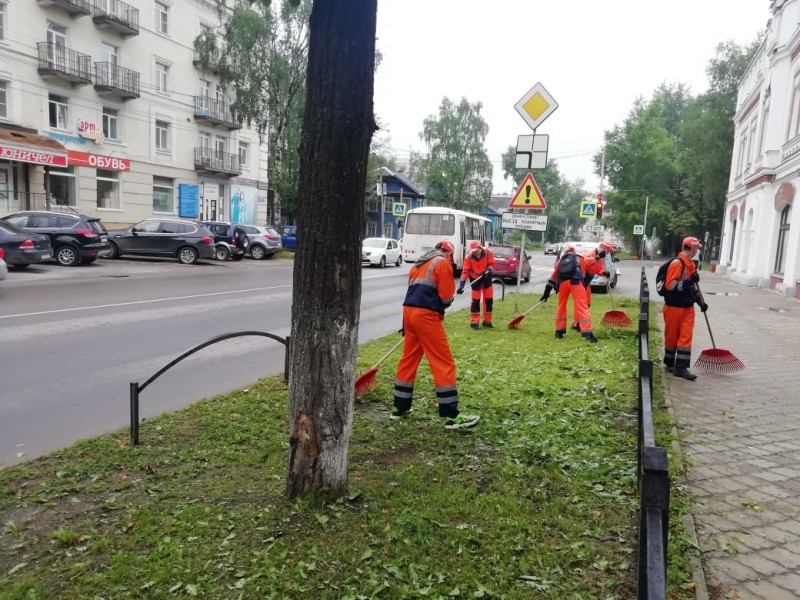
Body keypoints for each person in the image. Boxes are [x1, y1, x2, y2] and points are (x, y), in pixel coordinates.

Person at [392, 240, 480, 429]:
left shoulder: (419, 264)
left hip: (408, 313)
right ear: (448, 254)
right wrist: (446, 302)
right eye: (451, 257)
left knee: (408, 359)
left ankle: (399, 407)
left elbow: (413, 292)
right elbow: (446, 296)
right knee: (443, 361)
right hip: (426, 316)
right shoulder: (442, 263)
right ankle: (451, 414)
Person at [663, 236, 707, 381]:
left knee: (685, 337)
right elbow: (670, 286)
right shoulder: (677, 263)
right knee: (672, 337)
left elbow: (693, 287)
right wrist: (690, 281)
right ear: (693, 248)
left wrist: (700, 300)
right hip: (674, 307)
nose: (697, 251)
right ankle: (669, 363)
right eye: (697, 248)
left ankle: (681, 368)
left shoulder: (690, 265)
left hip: (687, 307)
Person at [540, 244, 597, 342]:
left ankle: (559, 331)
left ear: (566, 252)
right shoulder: (580, 259)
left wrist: (546, 294)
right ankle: (588, 334)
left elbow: (553, 277)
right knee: (582, 306)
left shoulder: (561, 261)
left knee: (561, 305)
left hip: (563, 284)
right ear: (574, 252)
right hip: (576, 282)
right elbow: (584, 275)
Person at [571, 241, 615, 330]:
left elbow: (598, 270)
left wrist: (604, 273)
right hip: (581, 282)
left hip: (587, 283)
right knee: (582, 304)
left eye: (608, 251)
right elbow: (587, 262)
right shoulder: (590, 253)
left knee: (587, 303)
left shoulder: (601, 259)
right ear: (602, 249)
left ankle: (577, 323)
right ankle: (577, 324)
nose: (607, 253)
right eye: (607, 251)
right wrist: (597, 257)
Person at [457, 240, 496, 329]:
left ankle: (487, 321)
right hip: (475, 280)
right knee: (475, 302)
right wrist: (461, 286)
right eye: (473, 251)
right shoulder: (469, 257)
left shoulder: (488, 252)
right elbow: (465, 272)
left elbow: (491, 264)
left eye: (476, 250)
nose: (475, 252)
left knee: (488, 301)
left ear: (480, 248)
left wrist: (488, 270)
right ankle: (474, 322)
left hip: (486, 278)